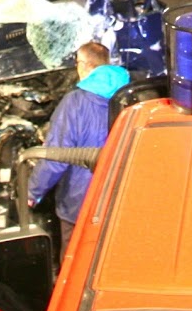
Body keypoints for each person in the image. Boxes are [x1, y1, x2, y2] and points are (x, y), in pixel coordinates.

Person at [27, 41, 128, 244]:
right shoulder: (130, 94)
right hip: (120, 197)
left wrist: (32, 192)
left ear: (83, 65)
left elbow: (57, 158)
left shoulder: (75, 103)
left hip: (80, 202)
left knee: (75, 258)